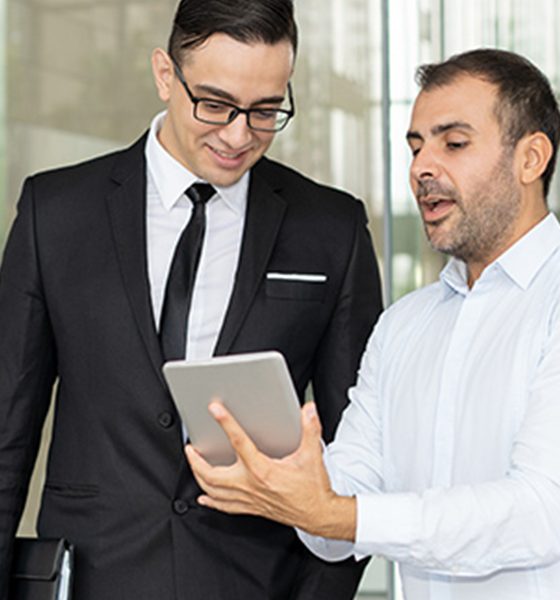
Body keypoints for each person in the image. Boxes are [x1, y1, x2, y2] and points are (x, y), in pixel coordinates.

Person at [0, 1, 382, 598]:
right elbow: (7, 427)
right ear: (164, 74)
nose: (238, 135)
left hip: (259, 582)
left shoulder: (331, 228)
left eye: (265, 111)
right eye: (215, 104)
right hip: (95, 575)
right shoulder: (56, 213)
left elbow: (363, 446)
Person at [186, 48, 560, 599]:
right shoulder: (403, 324)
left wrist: (338, 514)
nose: (422, 167)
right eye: (415, 146)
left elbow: (542, 512)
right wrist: (287, 481)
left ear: (531, 159)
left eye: (454, 143)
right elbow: (335, 527)